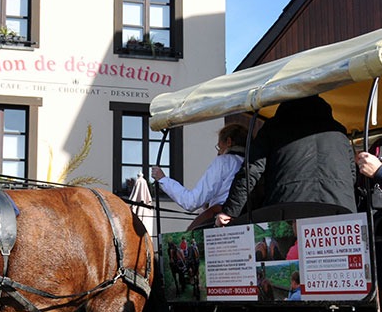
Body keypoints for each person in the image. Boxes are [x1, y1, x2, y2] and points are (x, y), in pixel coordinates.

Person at [215, 95, 357, 227]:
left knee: (291, 253)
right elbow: (352, 174)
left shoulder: (273, 127)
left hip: (289, 210)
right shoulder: (339, 131)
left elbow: (251, 171)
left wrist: (230, 211)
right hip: (340, 211)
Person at [151, 123, 248, 228]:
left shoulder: (224, 162)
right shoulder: (249, 164)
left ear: (228, 142)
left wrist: (163, 180)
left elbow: (191, 202)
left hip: (222, 224)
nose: (218, 153)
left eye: (219, 147)